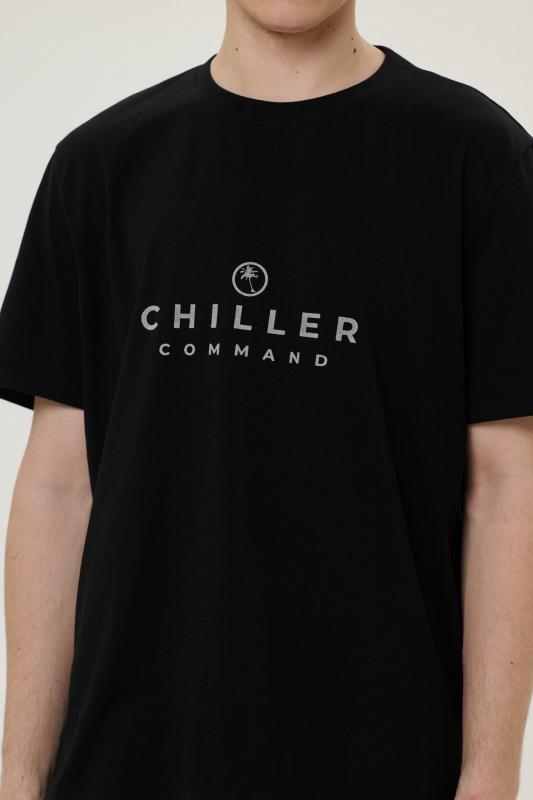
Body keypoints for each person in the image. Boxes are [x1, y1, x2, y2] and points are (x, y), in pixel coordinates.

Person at [1, 1, 533, 799]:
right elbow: (56, 488)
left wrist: (488, 778)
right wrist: (18, 776)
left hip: (384, 759)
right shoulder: (102, 164)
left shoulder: (476, 158)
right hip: (127, 762)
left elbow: (505, 486)